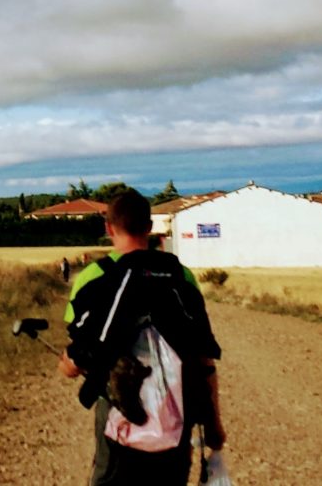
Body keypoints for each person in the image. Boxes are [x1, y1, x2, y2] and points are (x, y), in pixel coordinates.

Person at [59, 189, 225, 485]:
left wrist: (69, 364)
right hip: (177, 413)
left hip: (118, 412)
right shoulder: (180, 276)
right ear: (150, 227)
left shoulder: (93, 277)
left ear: (108, 228)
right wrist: (214, 424)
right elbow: (204, 358)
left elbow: (78, 358)